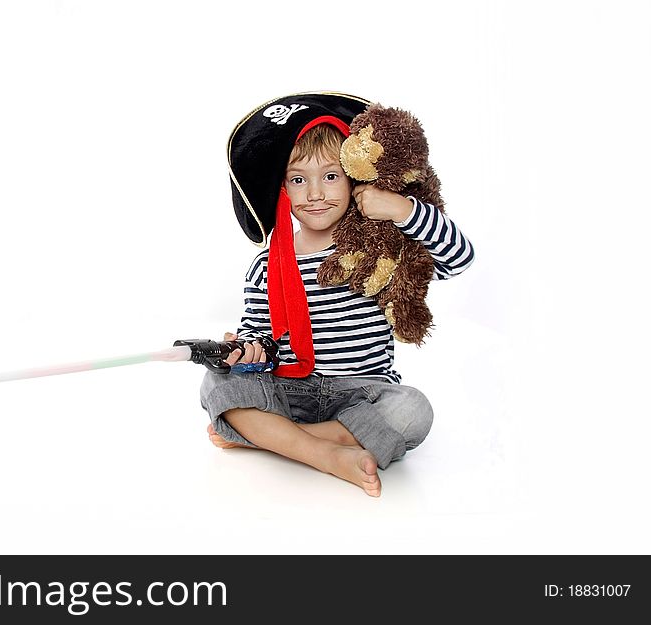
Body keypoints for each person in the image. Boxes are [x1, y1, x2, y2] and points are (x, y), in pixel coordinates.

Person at [201, 93, 474, 497]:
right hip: (290, 390)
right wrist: (246, 351)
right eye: (298, 179)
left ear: (354, 180)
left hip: (362, 392)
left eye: (330, 176)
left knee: (413, 410)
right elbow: (261, 335)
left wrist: (403, 211)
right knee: (215, 383)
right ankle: (328, 452)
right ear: (283, 190)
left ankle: (276, 439)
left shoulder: (382, 247)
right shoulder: (265, 267)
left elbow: (459, 258)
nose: (314, 193)